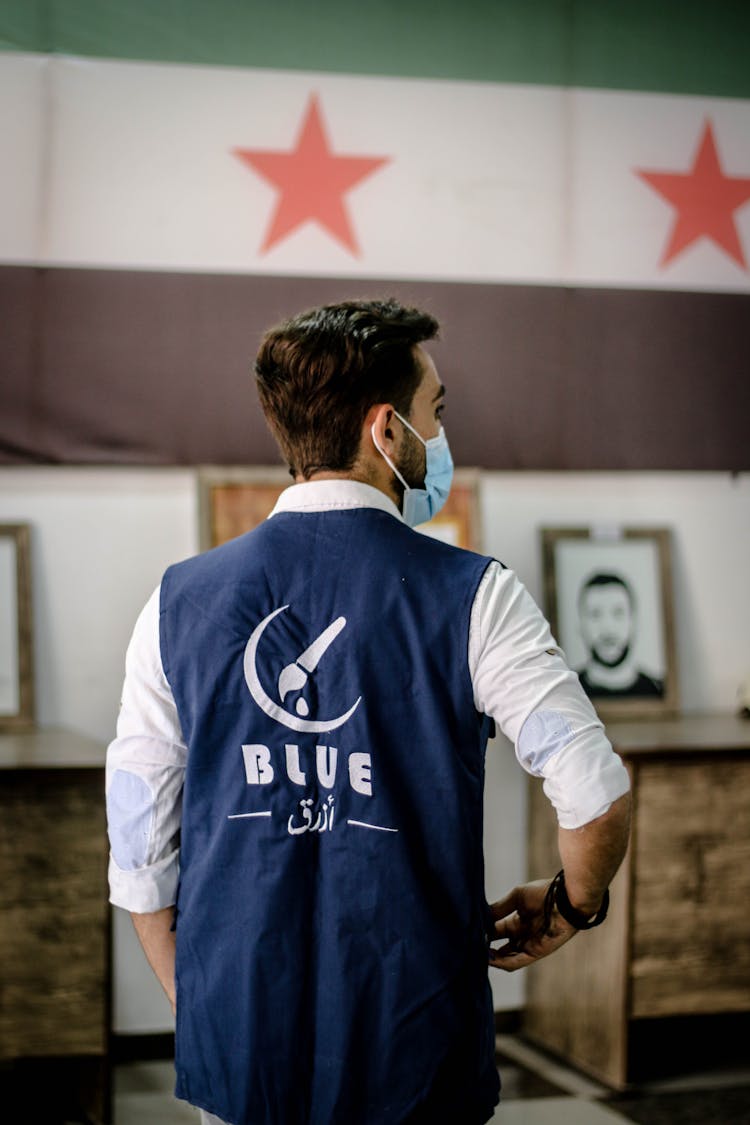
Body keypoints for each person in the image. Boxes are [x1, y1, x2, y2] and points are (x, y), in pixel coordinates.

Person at [106, 298, 631, 1125]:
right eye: (437, 412)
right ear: (388, 431)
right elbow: (595, 794)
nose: (443, 436)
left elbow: (139, 847)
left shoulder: (176, 604)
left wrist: (204, 998)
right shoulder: (477, 596)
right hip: (416, 1045)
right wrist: (572, 905)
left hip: (243, 1052)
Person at [576, 571, 664, 698]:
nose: (607, 628)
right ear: (581, 624)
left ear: (633, 621)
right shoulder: (567, 692)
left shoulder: (658, 690)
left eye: (618, 613)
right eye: (595, 614)